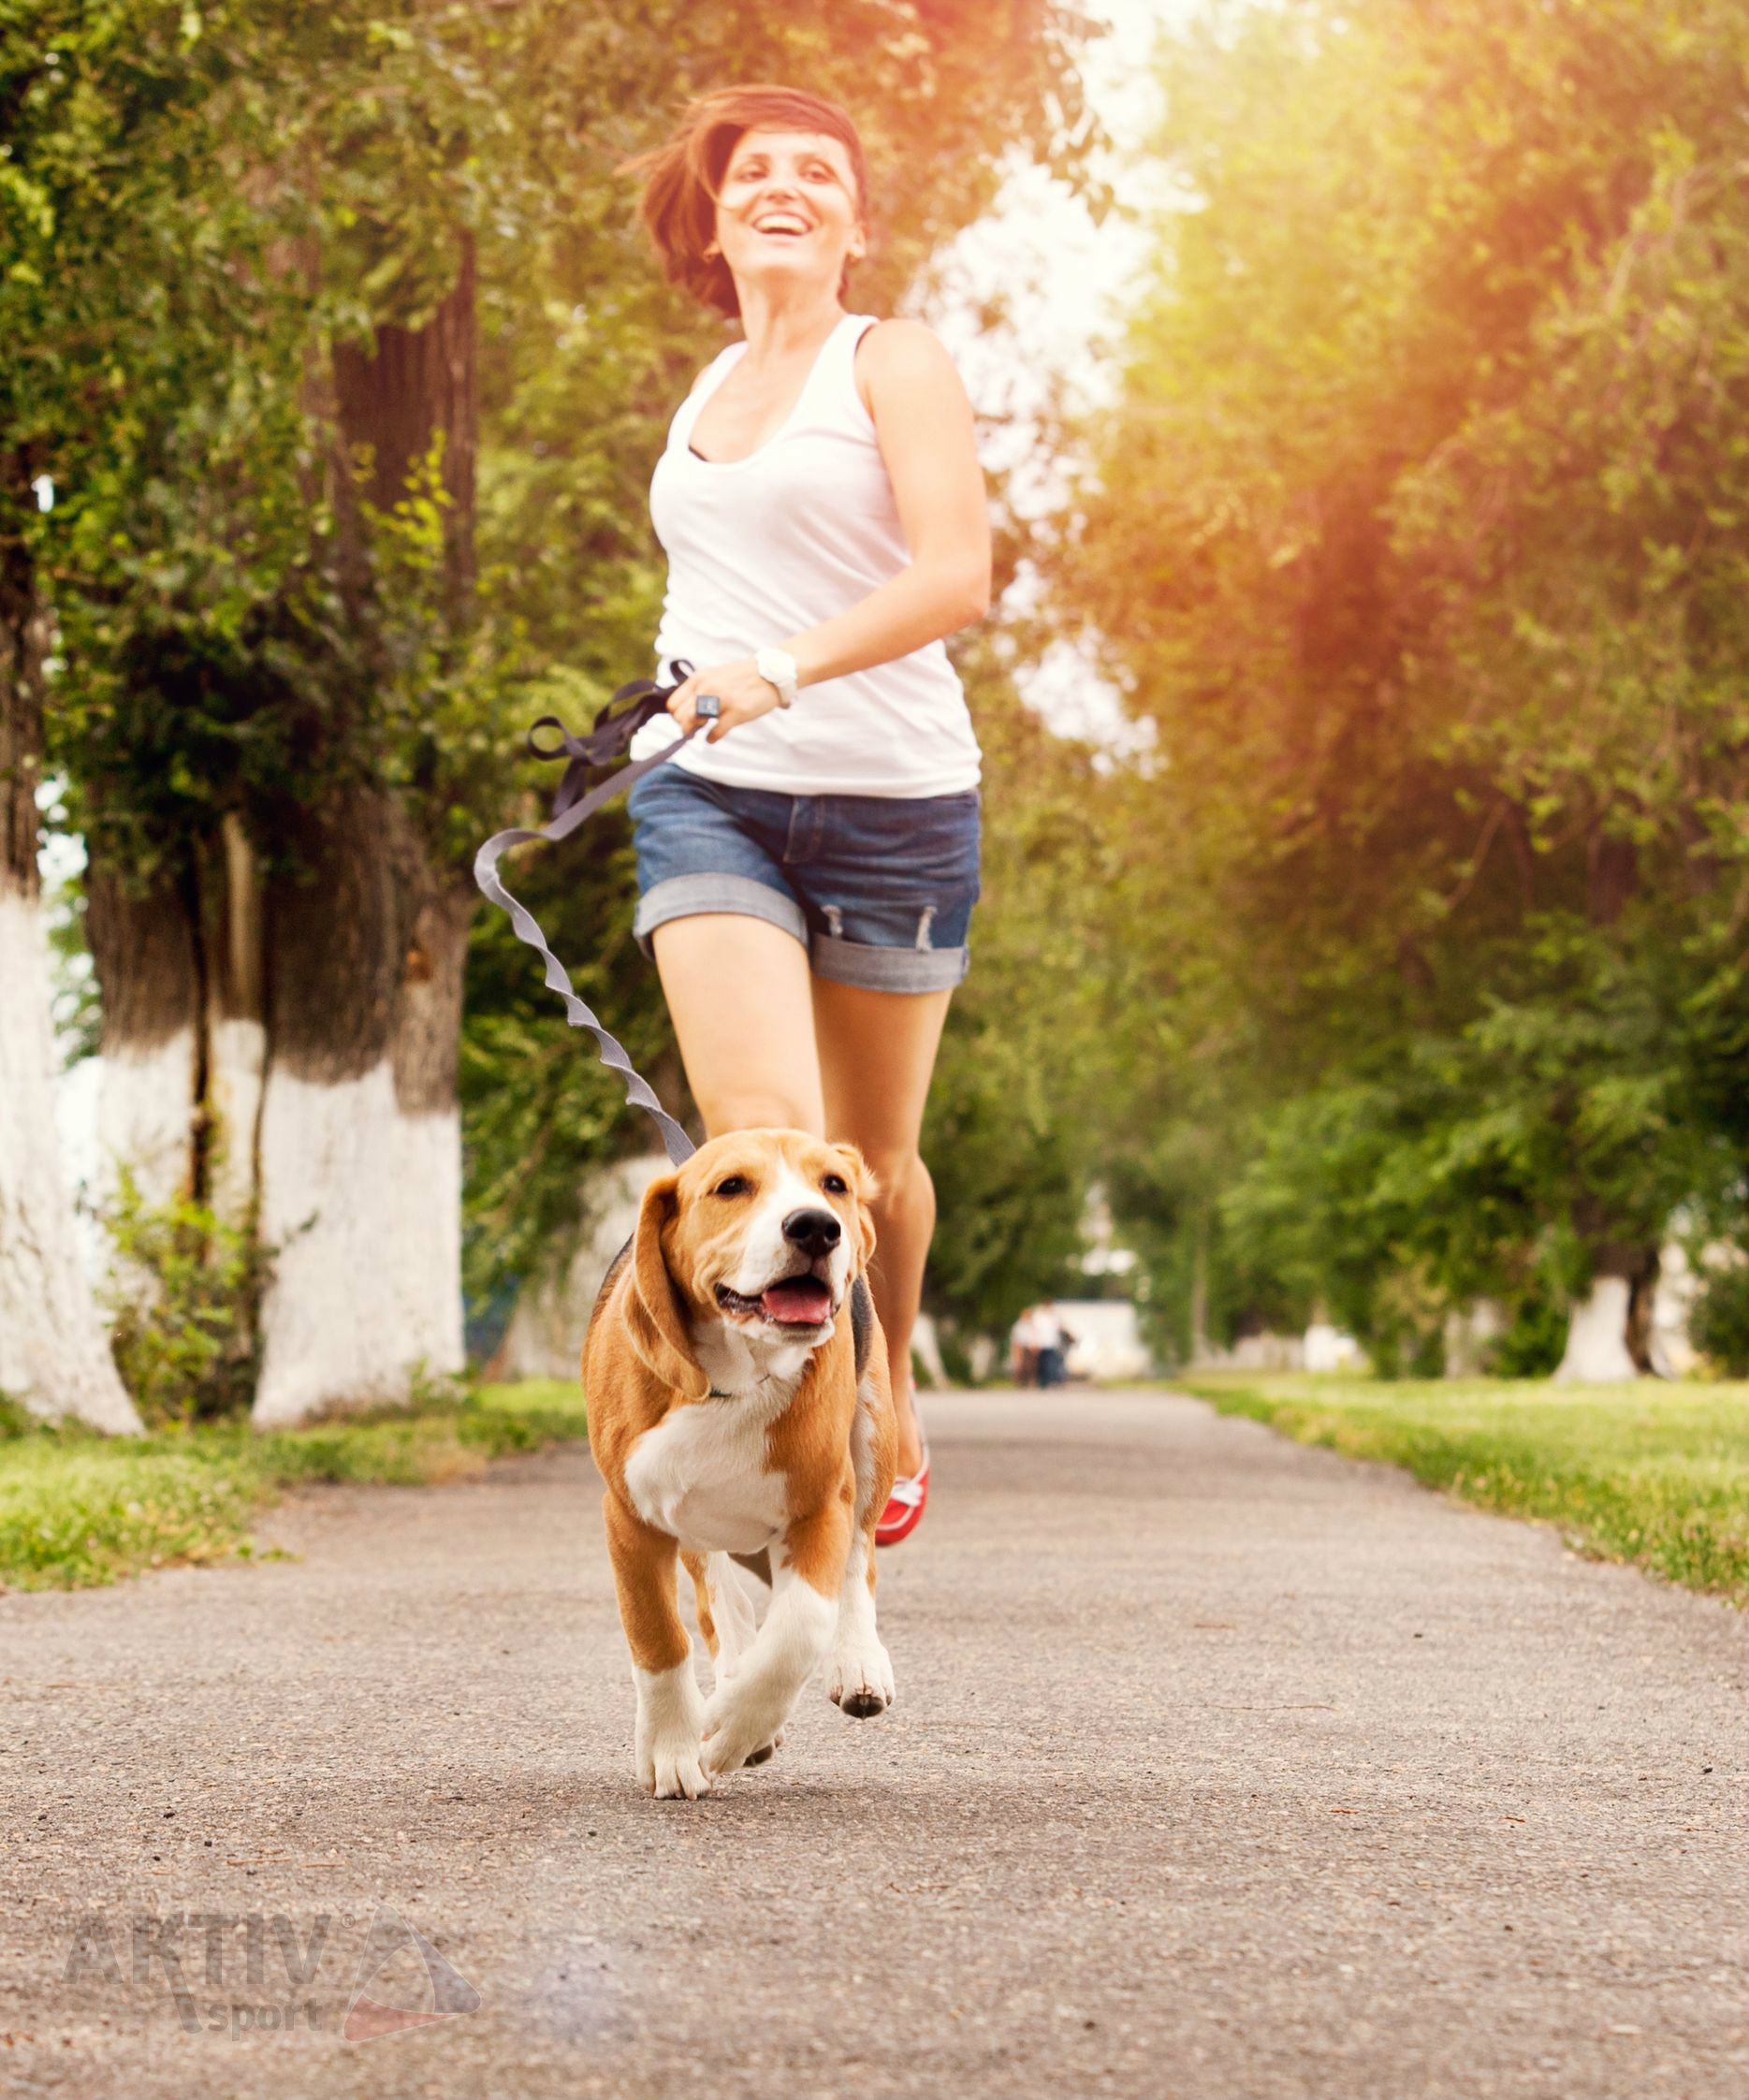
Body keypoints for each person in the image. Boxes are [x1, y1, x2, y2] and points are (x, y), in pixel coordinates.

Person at [620, 86, 990, 1546]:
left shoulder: (888, 358)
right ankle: (797, 1449)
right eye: (753, 172)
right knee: (769, 1136)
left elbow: (954, 574)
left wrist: (777, 668)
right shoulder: (705, 387)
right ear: (715, 224)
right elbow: (707, 586)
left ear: (853, 218)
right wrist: (671, 698)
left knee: (871, 1169)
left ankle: (884, 1381)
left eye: (815, 172)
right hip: (713, 798)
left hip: (898, 805)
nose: (782, 186)